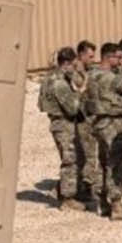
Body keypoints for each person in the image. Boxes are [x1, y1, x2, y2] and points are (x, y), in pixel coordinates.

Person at [85, 43, 122, 221]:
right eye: (117, 57)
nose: (119, 60)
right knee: (117, 163)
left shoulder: (92, 75)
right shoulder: (112, 78)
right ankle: (116, 204)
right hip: (113, 123)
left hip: (98, 123)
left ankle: (101, 201)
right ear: (109, 57)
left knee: (103, 162)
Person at [37, 47, 84, 209]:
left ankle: (60, 190)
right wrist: (79, 94)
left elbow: (40, 104)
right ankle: (67, 199)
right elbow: (72, 108)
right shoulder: (60, 83)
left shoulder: (48, 79)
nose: (74, 67)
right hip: (64, 123)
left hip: (56, 121)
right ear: (66, 63)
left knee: (68, 158)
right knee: (70, 160)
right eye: (73, 64)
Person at [74, 40, 101, 204]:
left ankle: (85, 186)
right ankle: (84, 188)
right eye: (90, 56)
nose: (93, 59)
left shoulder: (89, 70)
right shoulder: (75, 73)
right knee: (86, 154)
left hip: (89, 117)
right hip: (81, 119)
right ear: (81, 54)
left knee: (89, 153)